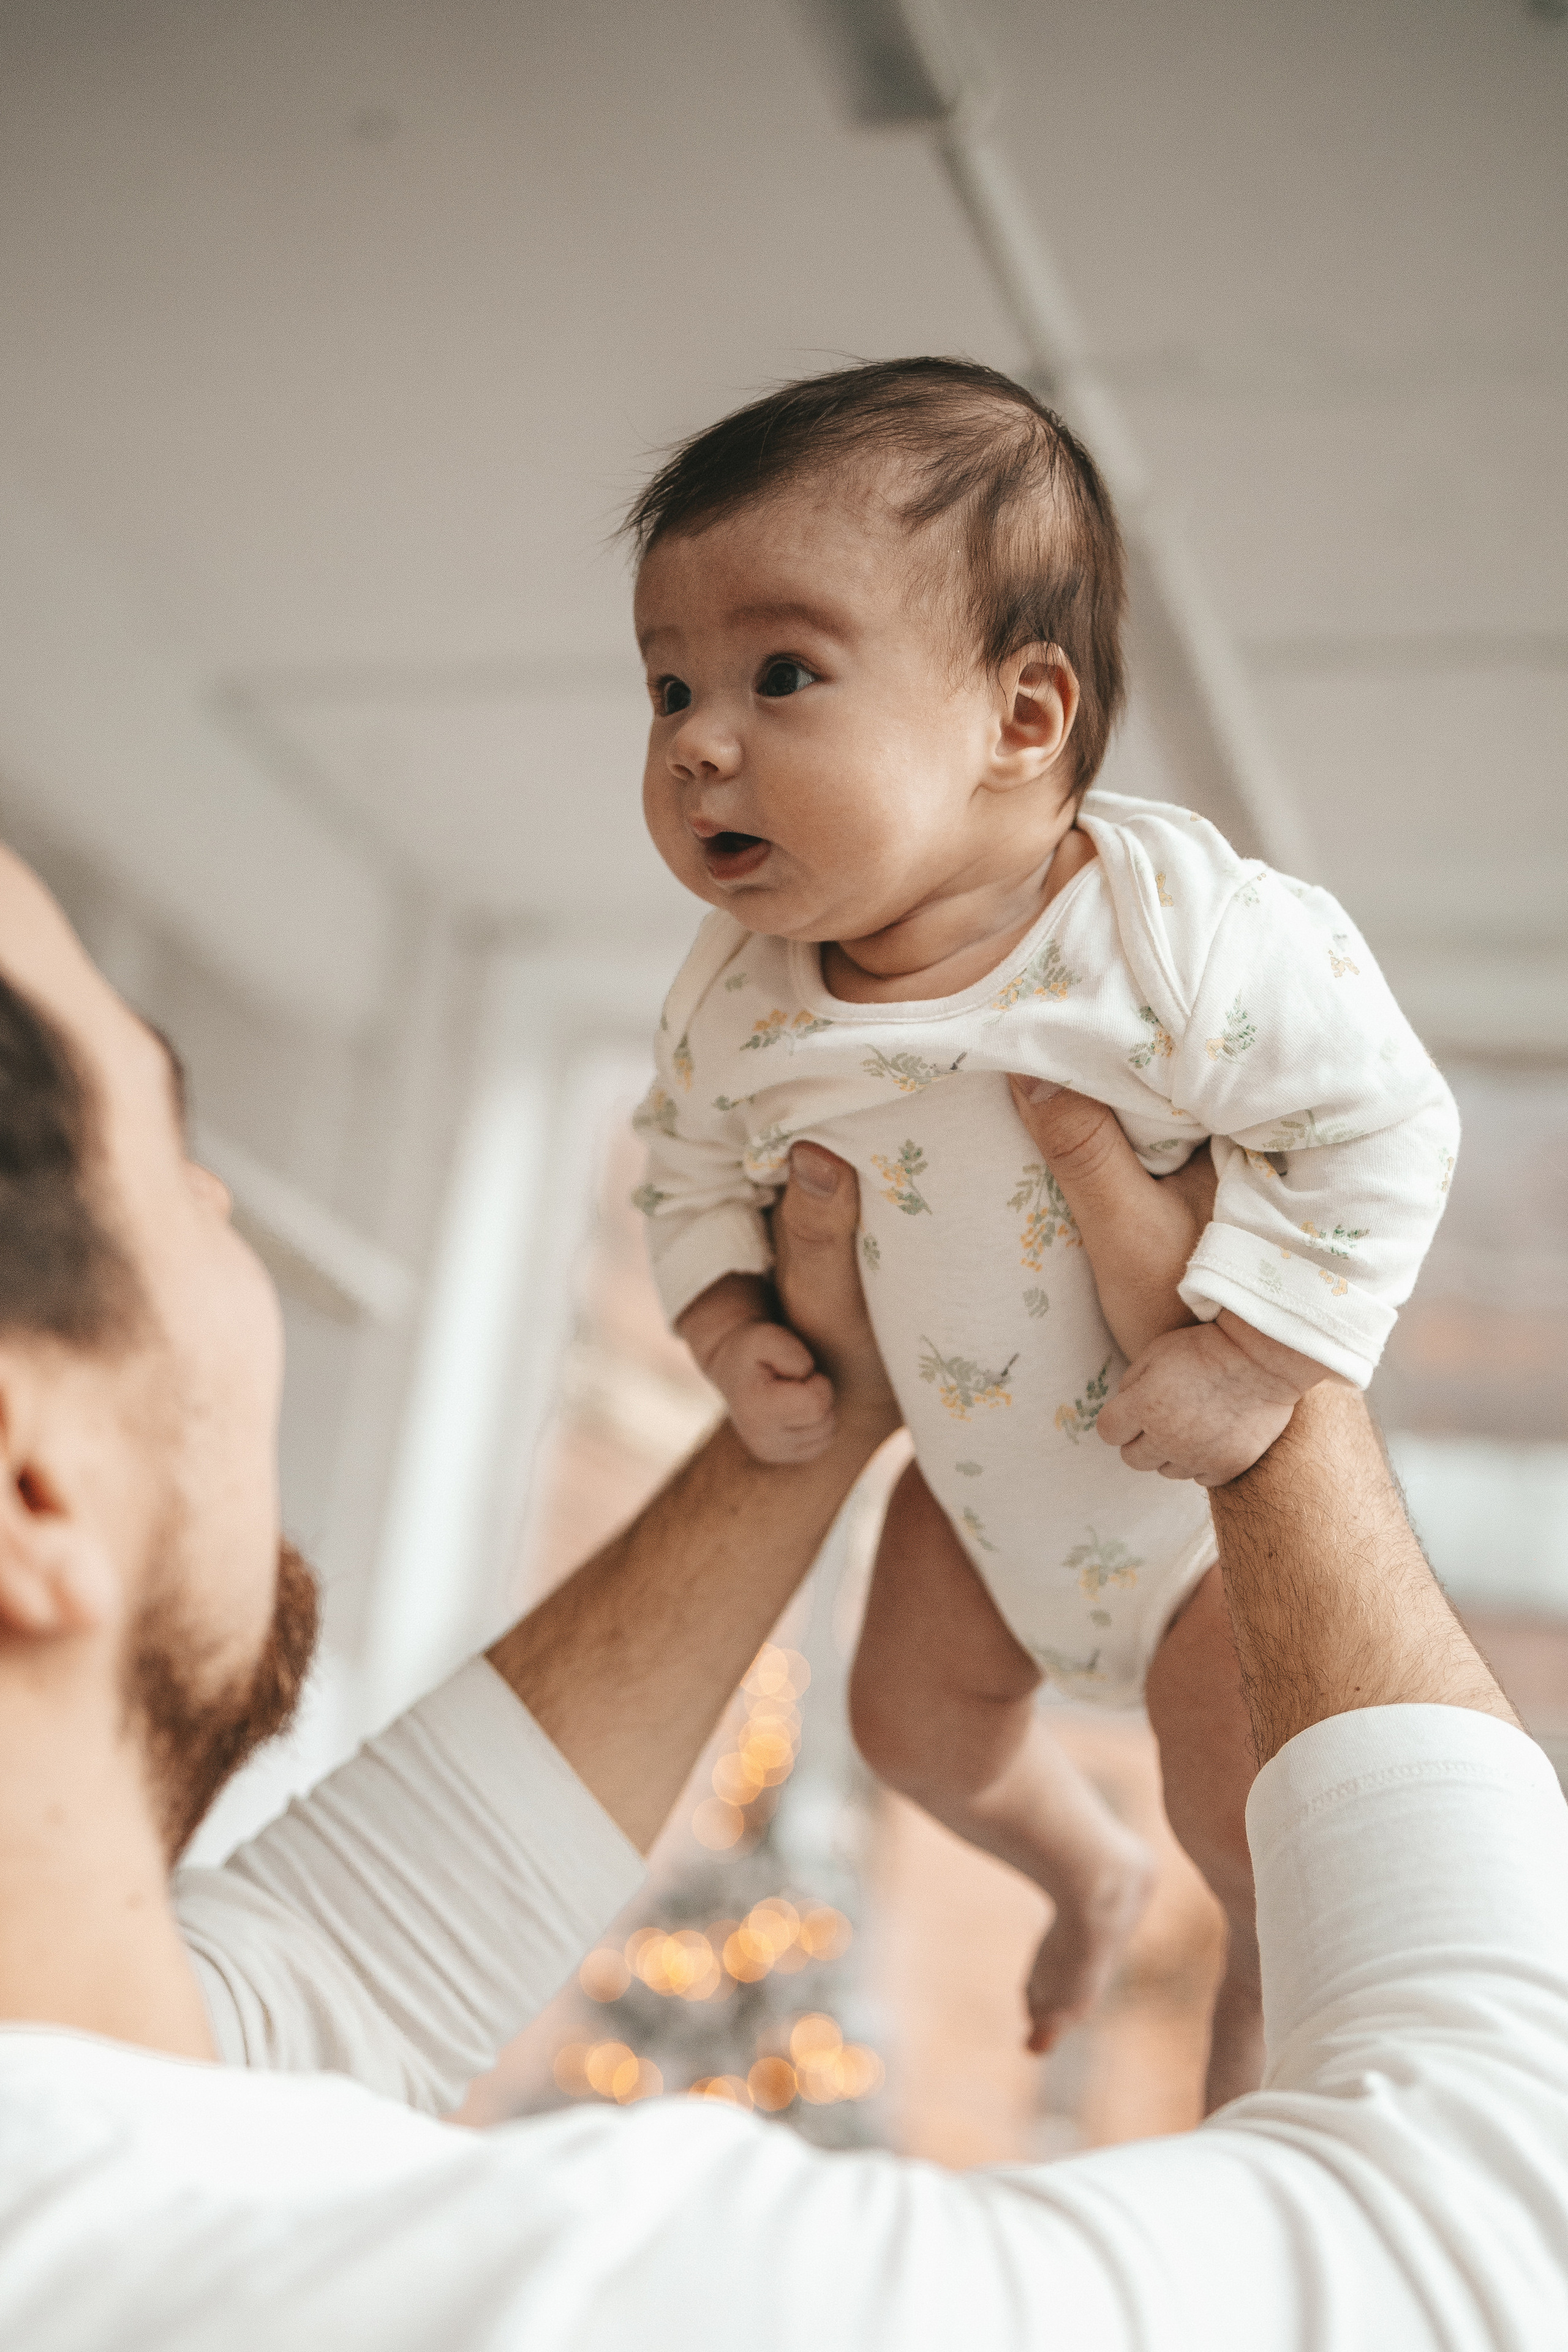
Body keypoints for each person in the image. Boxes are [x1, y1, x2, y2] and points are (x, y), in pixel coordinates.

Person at [2, 839, 1566, 2351]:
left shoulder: (92, 2132)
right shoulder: (551, 2301)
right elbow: (1506, 2239)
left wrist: (835, 1391)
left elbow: (331, 1984)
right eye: (177, 1165)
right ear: (27, 1478)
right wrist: (1257, 1325)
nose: (226, 1222)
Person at [627, 356, 1460, 2087]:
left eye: (781, 673)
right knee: (905, 1730)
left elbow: (1387, 1123)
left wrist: (1253, 1355)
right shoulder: (742, 999)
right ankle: (1076, 1865)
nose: (701, 738)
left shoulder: (1175, 942)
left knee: (1248, 1832)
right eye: (666, 686)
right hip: (977, 1487)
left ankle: (1246, 2033)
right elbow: (685, 1165)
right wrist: (725, 1322)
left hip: (1196, 1532)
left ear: (1023, 719)